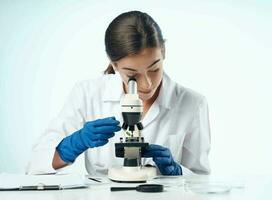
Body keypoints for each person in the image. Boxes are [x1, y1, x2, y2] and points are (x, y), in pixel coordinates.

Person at [26, 11, 211, 176]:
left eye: (154, 69)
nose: (147, 84)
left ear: (163, 51)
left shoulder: (193, 104)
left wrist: (177, 172)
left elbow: (202, 180)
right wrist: (73, 144)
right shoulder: (88, 93)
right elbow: (35, 164)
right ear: (114, 65)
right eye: (132, 75)